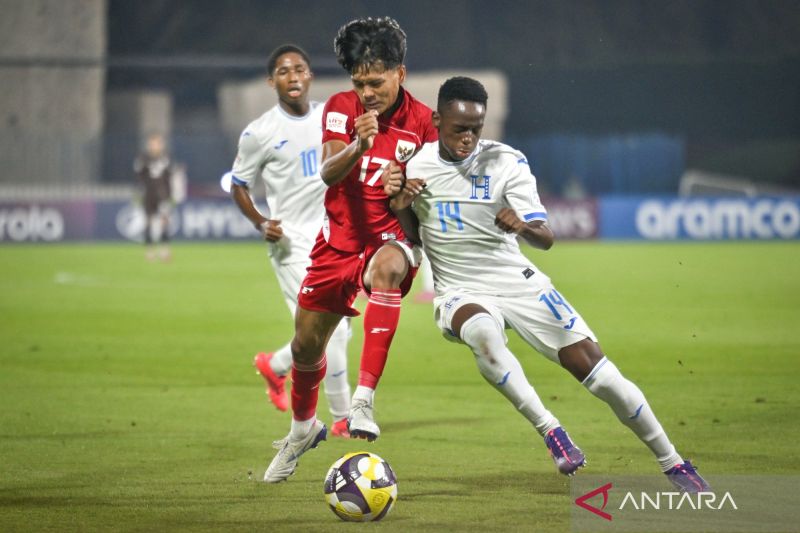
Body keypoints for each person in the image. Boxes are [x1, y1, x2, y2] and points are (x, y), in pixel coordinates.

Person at [384, 76, 710, 492]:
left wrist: (520, 225)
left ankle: (673, 462)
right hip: (460, 290)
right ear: (436, 120)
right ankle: (551, 430)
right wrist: (400, 205)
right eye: (458, 129)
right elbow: (412, 237)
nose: (468, 138)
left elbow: (546, 236)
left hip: (518, 282)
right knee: (483, 334)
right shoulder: (414, 165)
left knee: (601, 374)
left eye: (475, 129)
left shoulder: (505, 161)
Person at [264, 17, 437, 483]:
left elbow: (429, 193)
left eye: (376, 82)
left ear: (400, 73)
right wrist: (360, 146)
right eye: (359, 82)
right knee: (305, 348)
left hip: (390, 240)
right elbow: (327, 173)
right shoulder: (341, 108)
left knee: (386, 268)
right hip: (336, 243)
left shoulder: (424, 122)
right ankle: (303, 429)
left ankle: (362, 401)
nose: (366, 92)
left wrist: (407, 192)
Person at [228, 45, 352, 438]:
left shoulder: (330, 118)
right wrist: (261, 221)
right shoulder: (260, 133)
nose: (293, 76)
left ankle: (276, 365)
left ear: (311, 75)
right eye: (283, 71)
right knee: (335, 329)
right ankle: (344, 417)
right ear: (272, 82)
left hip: (334, 235)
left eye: (299, 69)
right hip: (292, 242)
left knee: (328, 328)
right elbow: (239, 185)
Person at [134, 133, 178, 261]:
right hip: (148, 194)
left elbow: (170, 177)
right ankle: (150, 251)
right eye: (153, 143)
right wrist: (139, 192)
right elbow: (139, 177)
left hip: (163, 194)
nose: (155, 146)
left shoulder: (166, 157)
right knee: (148, 221)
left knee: (164, 221)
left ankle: (165, 250)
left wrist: (171, 195)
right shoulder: (143, 158)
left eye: (158, 143)